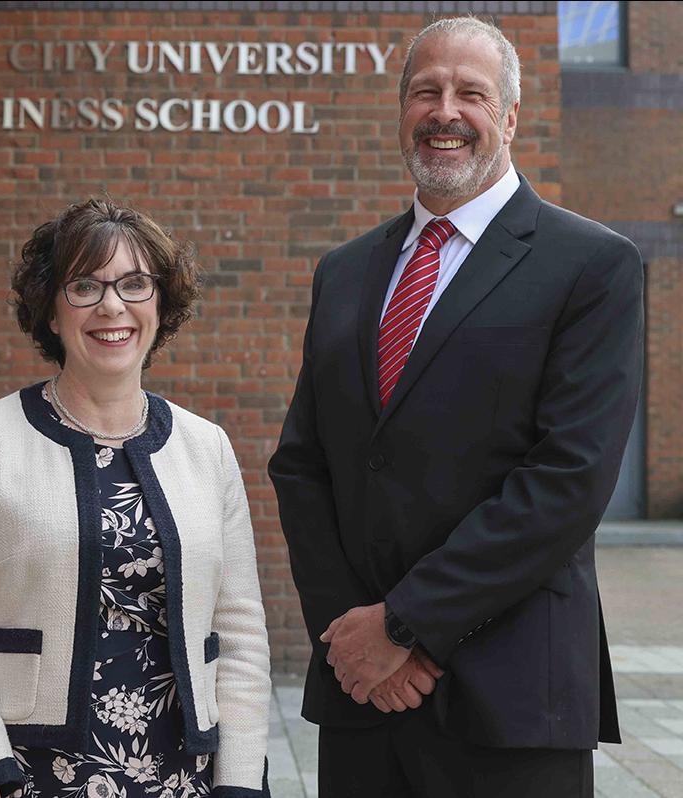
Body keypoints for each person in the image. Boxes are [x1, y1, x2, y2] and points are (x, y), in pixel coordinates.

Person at [268, 15, 642, 797]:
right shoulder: (344, 272)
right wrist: (354, 639)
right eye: (424, 91)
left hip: (509, 700)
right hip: (364, 700)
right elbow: (304, 465)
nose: (445, 112)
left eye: (470, 93)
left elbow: (566, 481)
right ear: (401, 112)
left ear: (508, 118)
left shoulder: (592, 265)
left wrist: (406, 624)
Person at [0, 199, 271, 798]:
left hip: (185, 774)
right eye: (84, 286)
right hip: (30, 770)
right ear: (51, 311)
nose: (112, 306)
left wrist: (239, 780)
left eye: (134, 284)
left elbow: (239, 633)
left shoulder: (206, 447)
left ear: (161, 304)